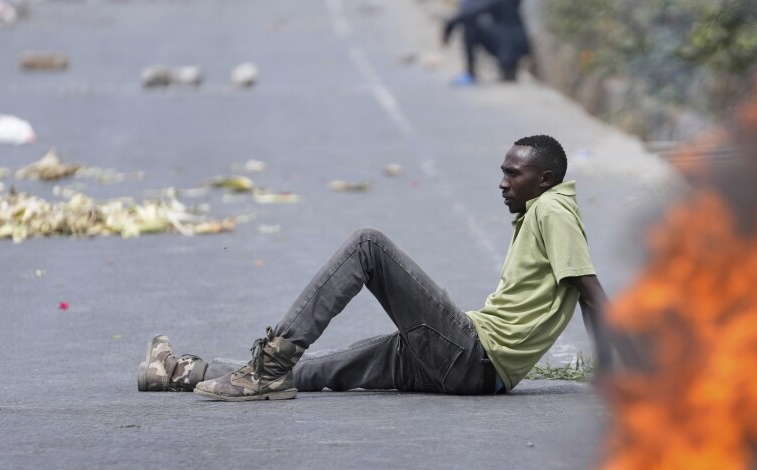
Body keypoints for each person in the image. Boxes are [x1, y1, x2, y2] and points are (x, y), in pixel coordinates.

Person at [138, 135, 626, 401]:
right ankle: (179, 372)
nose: (501, 183)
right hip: (469, 365)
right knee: (313, 373)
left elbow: (589, 291)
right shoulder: (540, 209)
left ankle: (269, 360)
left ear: (544, 179)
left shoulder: (552, 210)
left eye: (512, 174)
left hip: (472, 356)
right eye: (502, 171)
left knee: (368, 245)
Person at [442, 0, 531, 84]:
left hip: (511, 46)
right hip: (509, 42)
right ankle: (472, 73)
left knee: (470, 23)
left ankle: (471, 73)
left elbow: (475, 9)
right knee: (472, 21)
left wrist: (450, 23)